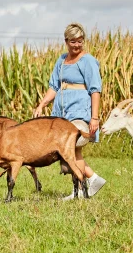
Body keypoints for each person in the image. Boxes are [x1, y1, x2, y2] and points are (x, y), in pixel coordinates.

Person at [33, 22, 107, 199]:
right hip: (62, 112)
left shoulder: (87, 61)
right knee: (72, 150)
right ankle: (83, 188)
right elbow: (54, 87)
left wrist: (94, 118)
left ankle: (90, 179)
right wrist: (42, 104)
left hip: (80, 111)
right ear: (66, 41)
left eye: (80, 41)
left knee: (70, 146)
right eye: (73, 41)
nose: (77, 45)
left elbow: (95, 90)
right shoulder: (61, 60)